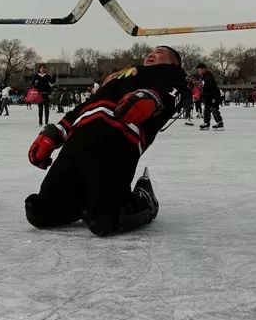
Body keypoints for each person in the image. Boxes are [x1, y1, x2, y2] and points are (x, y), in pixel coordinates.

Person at [24, 46, 186, 237]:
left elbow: (173, 93)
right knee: (40, 213)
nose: (151, 54)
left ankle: (145, 199)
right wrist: (55, 132)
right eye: (150, 51)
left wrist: (153, 99)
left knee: (105, 218)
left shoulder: (170, 73)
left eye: (159, 52)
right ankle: (82, 199)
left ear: (174, 61)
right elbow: (85, 106)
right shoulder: (119, 75)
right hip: (77, 142)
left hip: (116, 143)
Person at [196, 63, 224, 130]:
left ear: (204, 69)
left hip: (214, 95)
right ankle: (206, 123)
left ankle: (220, 123)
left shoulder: (208, 75)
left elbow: (208, 85)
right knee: (206, 109)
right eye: (198, 71)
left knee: (214, 109)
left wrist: (201, 86)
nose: (199, 72)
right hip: (208, 96)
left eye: (200, 70)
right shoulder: (204, 76)